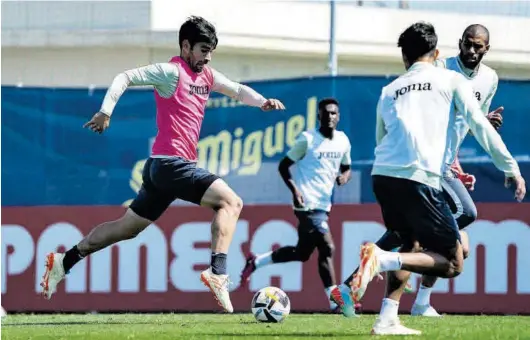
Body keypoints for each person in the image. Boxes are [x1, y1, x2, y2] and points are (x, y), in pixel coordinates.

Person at [40, 16, 285, 314]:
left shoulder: (207, 75)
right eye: (202, 49)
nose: (207, 56)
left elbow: (236, 90)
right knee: (231, 202)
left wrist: (262, 101)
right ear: (185, 46)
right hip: (171, 165)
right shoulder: (170, 72)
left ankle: (64, 261)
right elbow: (124, 77)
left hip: (161, 170)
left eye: (211, 50)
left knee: (126, 229)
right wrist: (106, 112)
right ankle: (218, 272)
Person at [332, 22, 525, 335]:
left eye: (478, 46)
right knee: (456, 253)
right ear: (439, 52)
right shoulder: (447, 74)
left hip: (386, 174)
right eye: (467, 44)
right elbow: (478, 126)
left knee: (409, 240)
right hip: (425, 170)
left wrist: (455, 161)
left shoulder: (390, 89)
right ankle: (386, 269)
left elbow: (388, 139)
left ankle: (385, 315)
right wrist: (510, 168)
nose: (472, 51)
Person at [239, 98, 353, 314]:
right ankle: (335, 301)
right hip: (305, 203)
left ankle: (256, 261)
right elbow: (283, 166)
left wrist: (344, 178)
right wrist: (295, 190)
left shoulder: (343, 141)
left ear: (338, 117)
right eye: (326, 113)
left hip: (323, 205)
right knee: (327, 246)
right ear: (319, 116)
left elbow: (346, 167)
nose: (330, 116)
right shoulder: (307, 139)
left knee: (302, 253)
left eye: (333, 113)